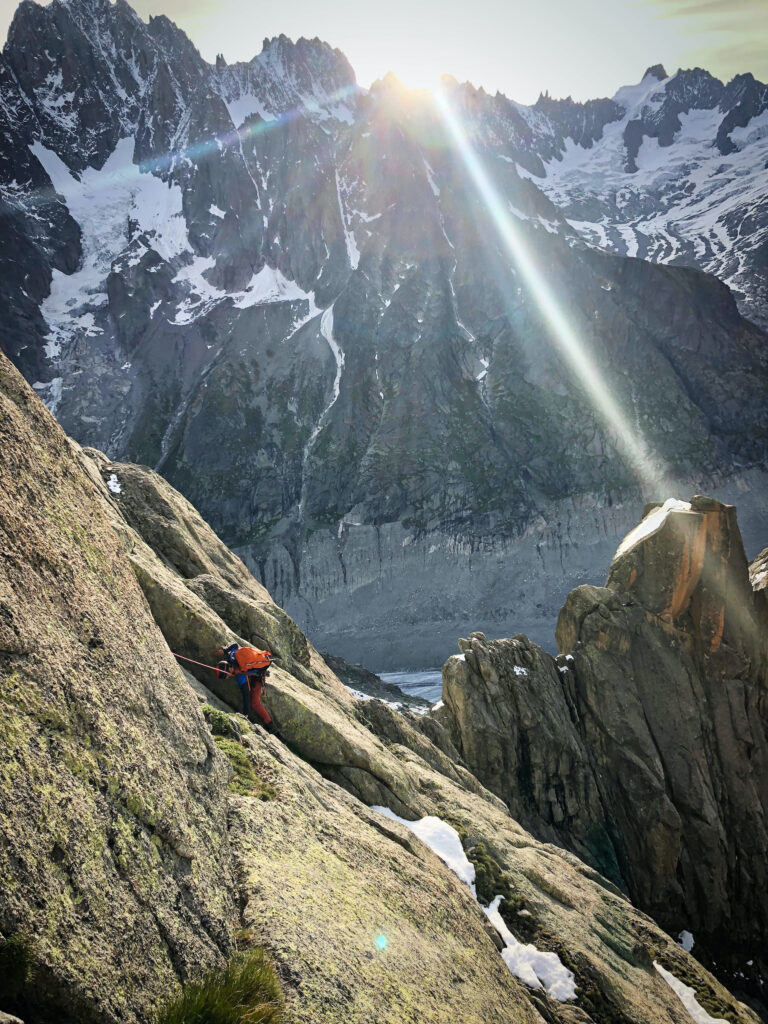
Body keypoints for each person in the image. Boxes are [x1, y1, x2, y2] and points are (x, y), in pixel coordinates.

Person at [216, 643, 274, 729]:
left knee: (255, 702)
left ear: (229, 671)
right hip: (262, 655)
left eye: (227, 676)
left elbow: (246, 694)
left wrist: (245, 714)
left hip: (260, 672)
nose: (229, 677)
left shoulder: (240, 673)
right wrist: (225, 650)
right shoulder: (232, 655)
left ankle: (270, 725)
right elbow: (235, 645)